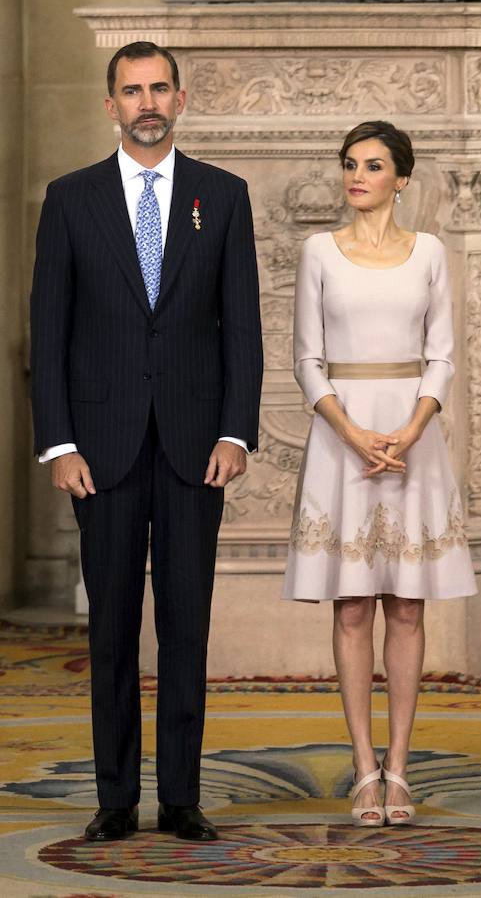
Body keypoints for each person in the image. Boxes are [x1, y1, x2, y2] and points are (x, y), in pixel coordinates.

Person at [30, 42, 263, 842]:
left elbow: (244, 327)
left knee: (188, 629)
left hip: (199, 448)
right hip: (102, 449)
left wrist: (237, 430)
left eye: (159, 87)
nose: (147, 101)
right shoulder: (70, 198)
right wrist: (58, 443)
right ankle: (116, 797)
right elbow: (48, 331)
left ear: (182, 97)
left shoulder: (223, 196)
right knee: (112, 632)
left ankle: (184, 797)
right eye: (131, 91)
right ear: (111, 106)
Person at [282, 121, 476, 826]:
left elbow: (443, 353)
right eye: (349, 165)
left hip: (412, 435)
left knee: (408, 604)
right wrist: (355, 432)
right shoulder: (317, 252)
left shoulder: (429, 251)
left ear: (402, 178)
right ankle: (363, 768)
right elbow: (306, 359)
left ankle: (400, 767)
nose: (356, 176)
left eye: (372, 165)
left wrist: (413, 428)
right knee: (354, 604)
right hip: (344, 438)